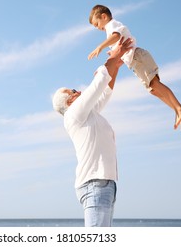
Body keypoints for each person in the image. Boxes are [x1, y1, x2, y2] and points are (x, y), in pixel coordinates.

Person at [52, 37, 133, 227]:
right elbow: (97, 85)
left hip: (105, 185)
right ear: (68, 101)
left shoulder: (88, 113)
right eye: (72, 90)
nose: (77, 90)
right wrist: (112, 57)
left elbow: (103, 93)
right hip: (94, 185)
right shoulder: (73, 114)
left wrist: (115, 66)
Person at [88, 5, 181, 131]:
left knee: (154, 84)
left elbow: (116, 36)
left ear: (103, 16)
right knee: (153, 90)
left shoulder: (111, 25)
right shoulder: (110, 30)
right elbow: (118, 48)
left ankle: (180, 109)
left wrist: (100, 47)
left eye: (97, 24)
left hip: (138, 57)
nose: (98, 28)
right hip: (136, 63)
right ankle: (177, 110)